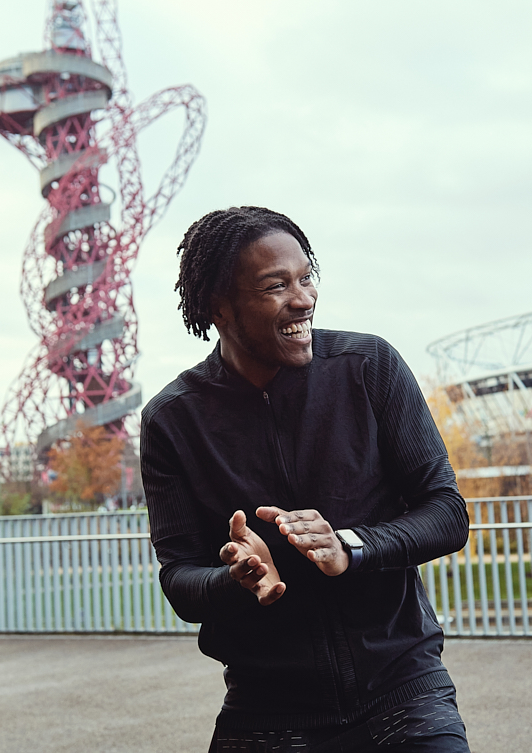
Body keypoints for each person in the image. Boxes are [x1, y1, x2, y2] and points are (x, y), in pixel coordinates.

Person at [142, 206, 472, 751]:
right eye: (276, 286)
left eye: (306, 277)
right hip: (268, 711)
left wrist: (352, 545)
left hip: (402, 692)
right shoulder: (172, 421)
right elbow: (180, 579)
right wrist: (236, 579)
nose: (304, 299)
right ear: (220, 308)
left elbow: (446, 512)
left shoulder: (369, 367)